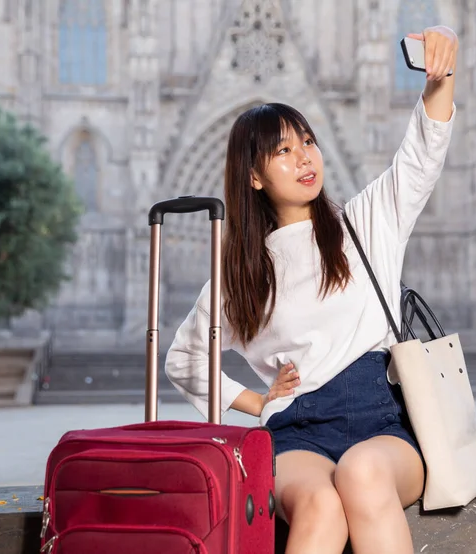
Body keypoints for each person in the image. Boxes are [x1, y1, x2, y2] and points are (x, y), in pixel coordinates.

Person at [165, 26, 458, 554]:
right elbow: (184, 359)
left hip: (382, 421)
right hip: (296, 430)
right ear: (253, 176)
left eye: (308, 142)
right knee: (320, 505)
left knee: (362, 473)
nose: (305, 158)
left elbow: (421, 157)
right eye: (283, 150)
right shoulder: (239, 275)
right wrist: (255, 402)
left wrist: (441, 76)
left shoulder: (367, 224)